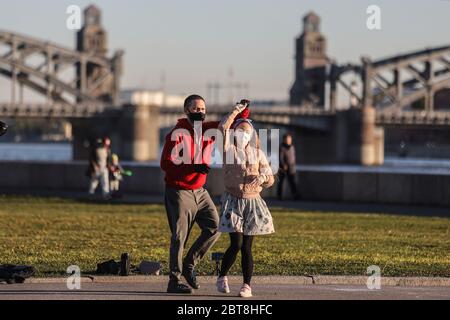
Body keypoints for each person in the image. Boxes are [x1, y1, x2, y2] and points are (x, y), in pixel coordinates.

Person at [160, 94, 221, 294]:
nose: (200, 112)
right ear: (187, 111)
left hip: (201, 192)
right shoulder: (176, 133)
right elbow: (166, 164)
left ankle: (189, 265)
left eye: (203, 109)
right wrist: (191, 166)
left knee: (216, 227)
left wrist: (241, 110)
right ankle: (174, 280)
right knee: (179, 237)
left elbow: (230, 123)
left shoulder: (207, 130)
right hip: (179, 191)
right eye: (196, 109)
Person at [216, 101, 275, 298]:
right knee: (236, 243)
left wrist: (263, 178)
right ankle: (222, 276)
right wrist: (236, 111)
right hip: (233, 201)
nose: (243, 134)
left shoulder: (258, 154)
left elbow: (270, 178)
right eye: (240, 131)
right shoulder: (228, 151)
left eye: (247, 131)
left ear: (252, 135)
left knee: (247, 247)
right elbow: (223, 128)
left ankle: (246, 285)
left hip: (252, 202)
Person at [277, 133, 300, 200]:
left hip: (291, 167)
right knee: (281, 182)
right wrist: (283, 164)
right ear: (284, 140)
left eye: (290, 139)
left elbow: (293, 157)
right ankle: (279, 196)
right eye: (287, 139)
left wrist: (293, 165)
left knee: (292, 182)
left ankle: (295, 195)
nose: (289, 141)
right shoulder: (281, 147)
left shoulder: (292, 147)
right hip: (283, 167)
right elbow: (280, 157)